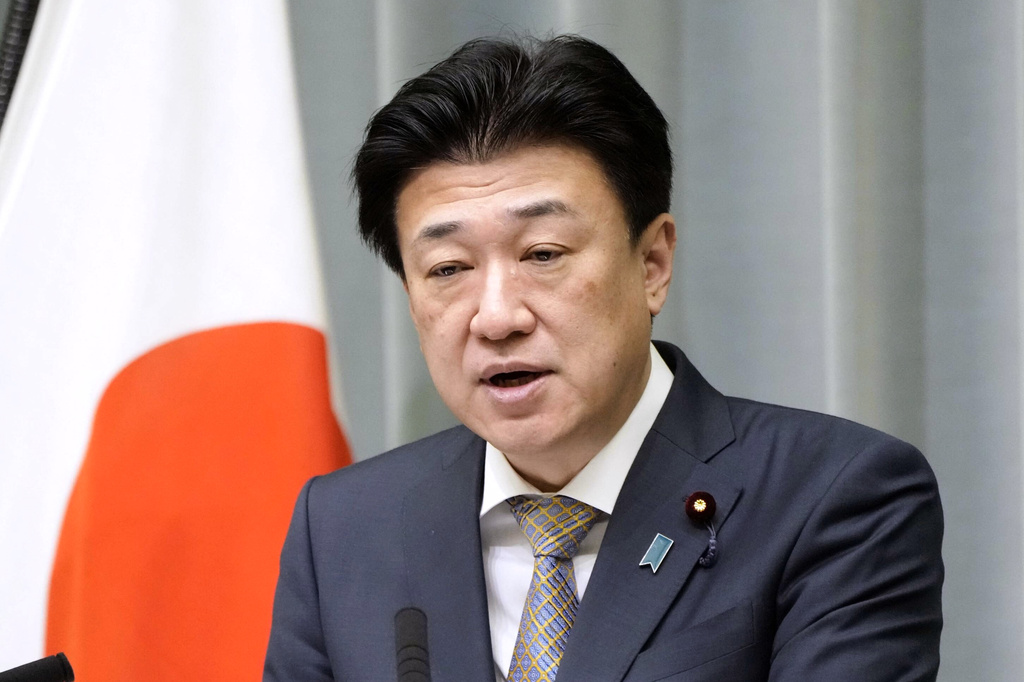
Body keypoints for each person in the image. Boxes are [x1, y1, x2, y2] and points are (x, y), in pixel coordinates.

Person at [264, 35, 943, 681]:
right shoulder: (346, 527)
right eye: (447, 268)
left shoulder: (834, 497)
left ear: (652, 264)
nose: (497, 316)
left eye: (543, 255)